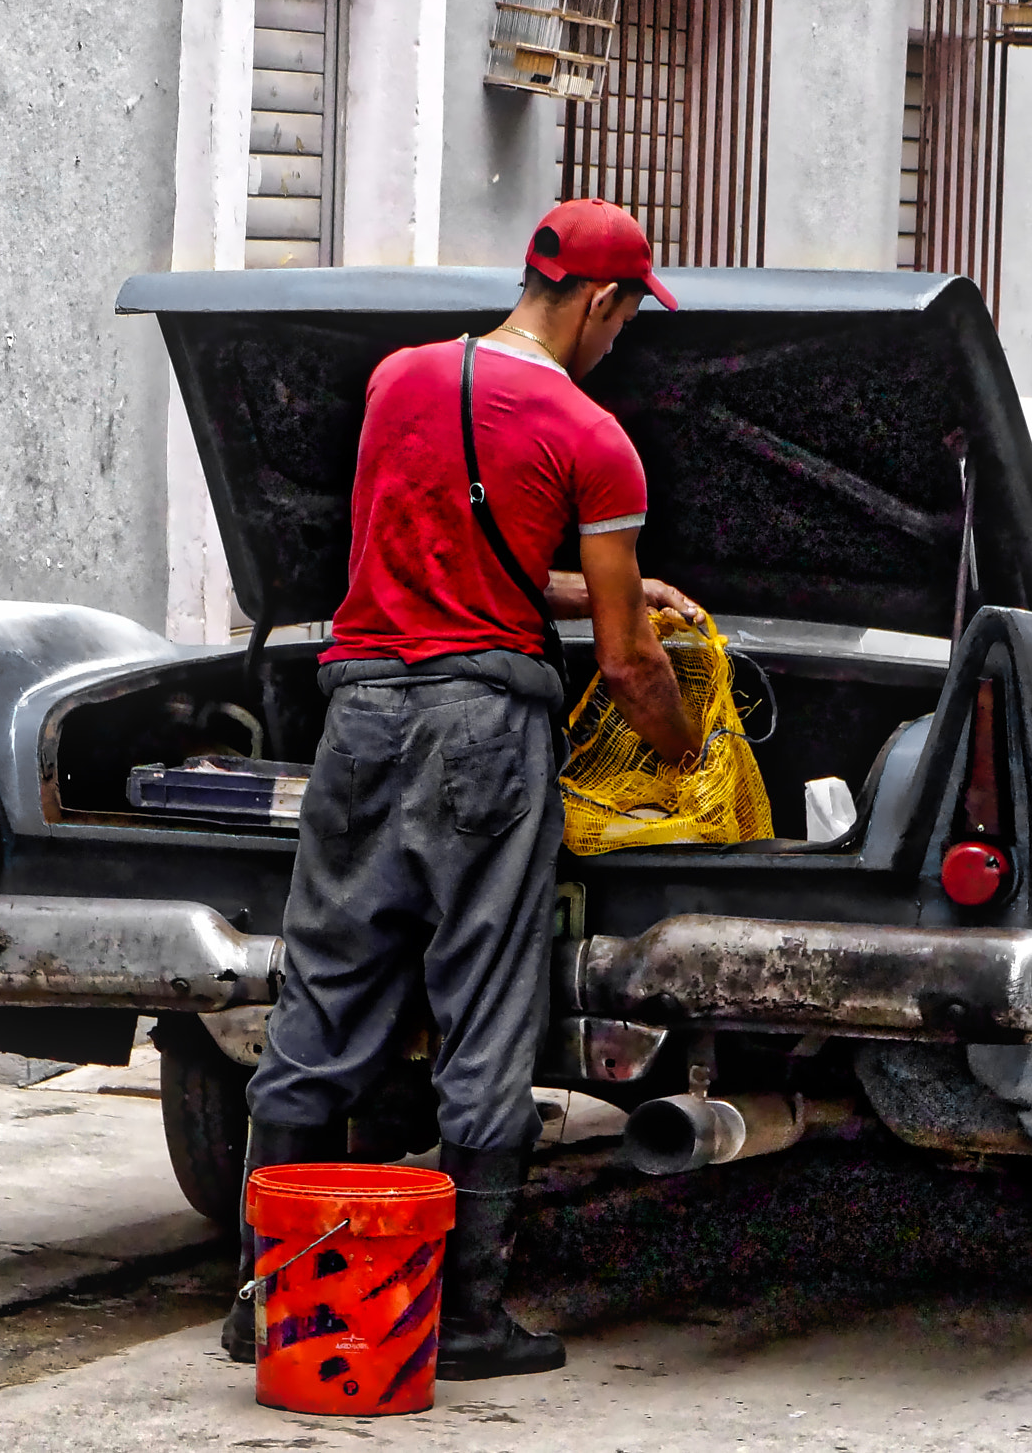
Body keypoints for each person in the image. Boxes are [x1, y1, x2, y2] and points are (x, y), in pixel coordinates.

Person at [219, 200, 704, 1382]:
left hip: (362, 713)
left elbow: (452, 554)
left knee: (322, 994)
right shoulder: (594, 438)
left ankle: (261, 1300)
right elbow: (631, 669)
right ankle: (474, 1316)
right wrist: (681, 746)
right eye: (626, 316)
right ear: (600, 301)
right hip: (483, 729)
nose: (621, 339)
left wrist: (624, 596)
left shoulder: (399, 380)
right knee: (485, 1007)